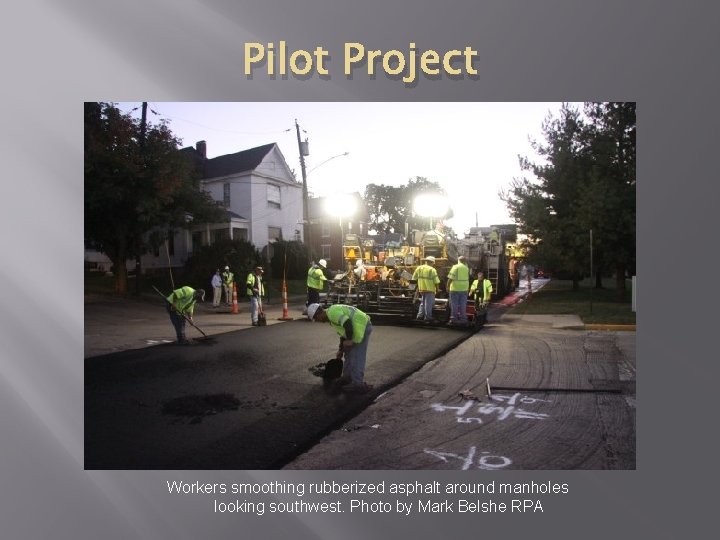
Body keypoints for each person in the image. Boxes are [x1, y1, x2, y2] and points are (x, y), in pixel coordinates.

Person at [307, 303, 373, 394]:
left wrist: (349, 340)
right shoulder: (331, 316)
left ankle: (358, 384)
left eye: (316, 318)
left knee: (357, 356)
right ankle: (347, 378)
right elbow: (344, 333)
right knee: (348, 353)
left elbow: (347, 323)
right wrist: (341, 349)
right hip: (354, 328)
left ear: (318, 313)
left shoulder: (332, 313)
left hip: (361, 326)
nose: (318, 321)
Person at [412, 255, 440, 322]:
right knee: (428, 303)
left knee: (423, 302)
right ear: (432, 262)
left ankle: (420, 316)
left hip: (421, 288)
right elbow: (436, 281)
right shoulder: (432, 270)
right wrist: (437, 289)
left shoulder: (419, 268)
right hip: (430, 289)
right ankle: (428, 317)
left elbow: (414, 278)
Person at [447, 255, 470, 326]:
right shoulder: (466, 268)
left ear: (458, 260)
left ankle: (454, 319)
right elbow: (468, 278)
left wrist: (447, 286)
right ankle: (463, 320)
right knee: (463, 305)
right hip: (464, 289)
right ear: (464, 261)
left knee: (454, 305)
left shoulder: (455, 267)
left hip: (455, 288)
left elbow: (450, 278)